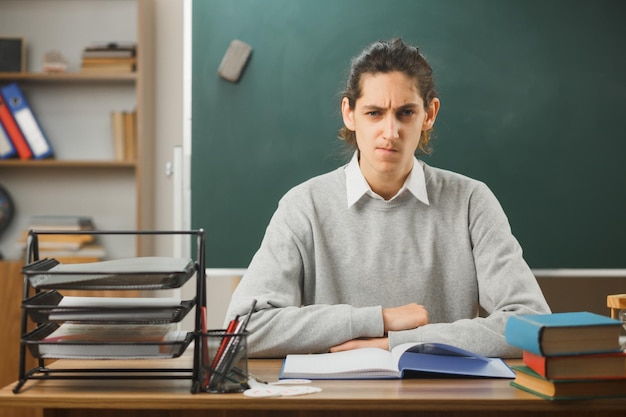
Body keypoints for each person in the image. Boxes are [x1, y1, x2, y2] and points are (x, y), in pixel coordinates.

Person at [224, 38, 550, 358]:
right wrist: (378, 319)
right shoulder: (303, 206)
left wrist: (398, 343)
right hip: (335, 405)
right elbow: (243, 328)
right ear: (349, 114)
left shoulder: (470, 202)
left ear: (429, 114)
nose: (390, 132)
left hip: (443, 403)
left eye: (406, 113)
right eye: (374, 113)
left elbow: (532, 323)